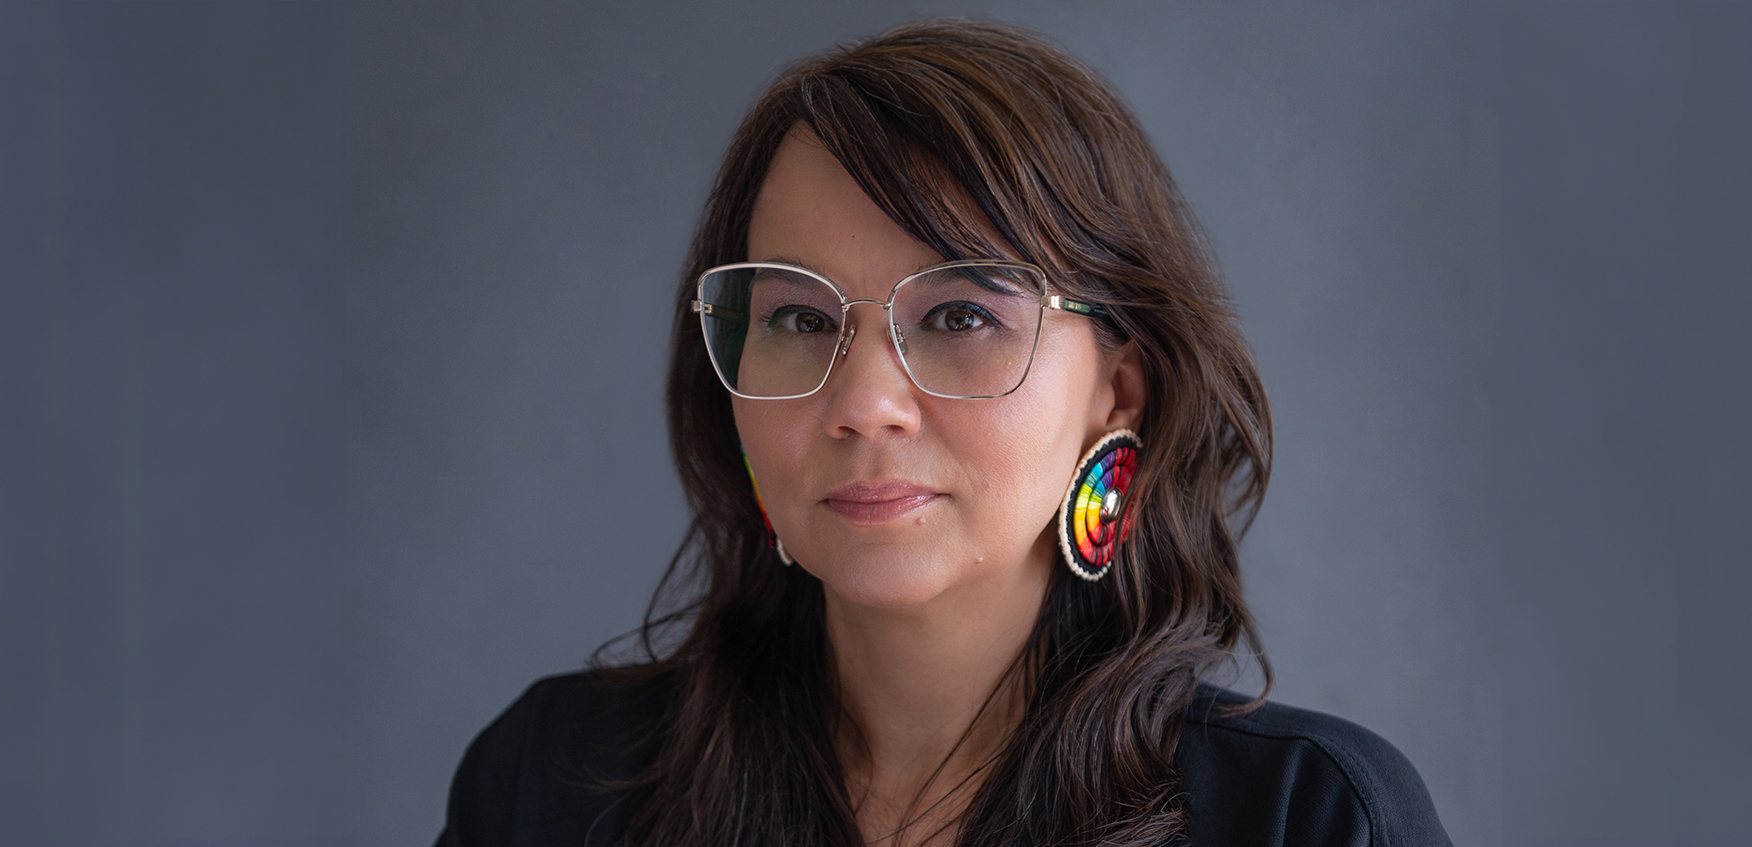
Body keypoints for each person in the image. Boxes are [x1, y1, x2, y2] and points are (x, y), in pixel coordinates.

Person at [436, 18, 1450, 847]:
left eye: (962, 316)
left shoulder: (1309, 821)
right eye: (799, 319)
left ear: (1119, 391)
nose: (865, 402)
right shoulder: (552, 785)